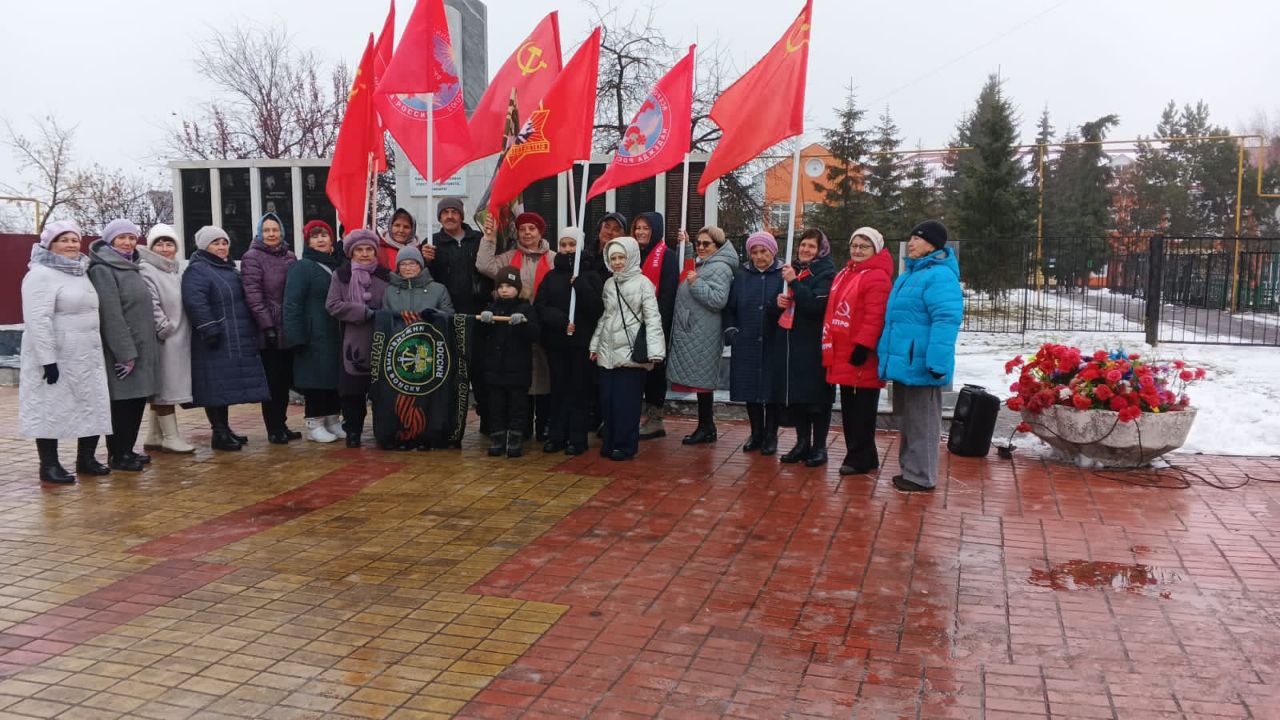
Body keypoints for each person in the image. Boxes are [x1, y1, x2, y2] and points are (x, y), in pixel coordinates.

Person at [19, 221, 112, 483]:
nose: (71, 245)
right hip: (56, 354)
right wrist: (48, 360)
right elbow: (38, 319)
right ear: (50, 245)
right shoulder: (40, 274)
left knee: (91, 404)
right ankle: (49, 465)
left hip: (87, 353)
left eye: (74, 239)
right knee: (50, 407)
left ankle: (87, 458)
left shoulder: (80, 271)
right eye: (64, 240)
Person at [877, 220, 963, 492]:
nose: (910, 243)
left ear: (933, 244)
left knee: (923, 421)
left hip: (923, 363)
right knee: (911, 420)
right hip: (907, 361)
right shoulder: (911, 274)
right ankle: (910, 471)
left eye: (917, 238)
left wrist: (937, 363)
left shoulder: (939, 275)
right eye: (911, 237)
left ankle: (922, 476)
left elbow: (946, 319)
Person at [183, 226, 271, 450]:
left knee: (225, 387)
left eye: (224, 242)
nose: (221, 247)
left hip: (234, 337)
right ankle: (218, 433)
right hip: (214, 339)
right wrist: (209, 328)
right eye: (215, 243)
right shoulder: (198, 270)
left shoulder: (229, 269)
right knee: (215, 387)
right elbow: (196, 302)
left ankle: (225, 428)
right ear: (204, 246)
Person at [87, 219, 159, 472]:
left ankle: (127, 449)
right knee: (122, 404)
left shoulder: (131, 266)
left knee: (136, 401)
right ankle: (117, 455)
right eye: (121, 238)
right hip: (122, 351)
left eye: (131, 237)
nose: (128, 242)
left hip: (141, 347)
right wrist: (125, 353)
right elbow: (111, 314)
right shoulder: (103, 269)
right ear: (110, 240)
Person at [476, 211, 553, 439]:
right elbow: (484, 264)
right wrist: (489, 238)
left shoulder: (552, 257)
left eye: (532, 228)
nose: (527, 233)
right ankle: (522, 428)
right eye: (522, 229)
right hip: (513, 329)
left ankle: (544, 426)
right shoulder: (509, 257)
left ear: (540, 232)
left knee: (545, 378)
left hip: (542, 327)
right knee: (522, 380)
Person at [822, 227, 893, 476]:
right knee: (851, 408)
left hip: (862, 355)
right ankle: (865, 454)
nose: (858, 250)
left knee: (861, 410)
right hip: (844, 351)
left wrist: (864, 346)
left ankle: (859, 456)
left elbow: (876, 316)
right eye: (855, 245)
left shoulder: (877, 277)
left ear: (876, 249)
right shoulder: (846, 273)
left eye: (864, 246)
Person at [589, 236, 666, 461]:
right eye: (613, 258)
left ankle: (625, 446)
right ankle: (610, 442)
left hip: (632, 353)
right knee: (608, 400)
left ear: (631, 256)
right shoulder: (609, 284)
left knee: (627, 403)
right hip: (608, 352)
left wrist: (655, 351)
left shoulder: (644, 283)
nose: (617, 262)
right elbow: (605, 317)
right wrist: (595, 345)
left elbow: (653, 318)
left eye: (621, 257)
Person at [769, 228, 836, 467]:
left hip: (814, 345)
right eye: (803, 245)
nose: (805, 250)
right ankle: (801, 443)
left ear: (821, 250)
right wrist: (777, 303)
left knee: (816, 399)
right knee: (797, 397)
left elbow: (814, 306)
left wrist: (794, 283)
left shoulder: (826, 273)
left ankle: (819, 447)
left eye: (811, 246)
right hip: (791, 344)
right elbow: (778, 307)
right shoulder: (792, 269)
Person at [534, 227, 602, 455]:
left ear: (580, 247)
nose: (567, 249)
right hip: (557, 344)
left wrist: (580, 285)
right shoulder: (550, 277)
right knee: (559, 390)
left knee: (579, 391)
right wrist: (561, 321)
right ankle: (557, 435)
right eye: (563, 245)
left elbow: (597, 308)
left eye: (572, 245)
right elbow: (541, 307)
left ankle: (577, 438)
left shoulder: (590, 276)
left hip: (581, 344)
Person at [427, 197, 492, 436]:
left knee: (482, 370)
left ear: (462, 215)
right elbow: (426, 279)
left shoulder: (479, 239)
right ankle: (450, 422)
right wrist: (426, 261)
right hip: (447, 318)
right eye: (445, 212)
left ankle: (488, 418)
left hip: (478, 314)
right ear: (439, 217)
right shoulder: (432, 244)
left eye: (455, 211)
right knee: (451, 372)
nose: (450, 216)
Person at [667, 225, 737, 445]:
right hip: (694, 331)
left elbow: (718, 300)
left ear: (718, 245)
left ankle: (706, 426)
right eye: (698, 243)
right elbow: (690, 268)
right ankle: (706, 426)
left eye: (706, 244)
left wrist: (696, 284)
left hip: (704, 332)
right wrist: (686, 246)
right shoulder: (707, 263)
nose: (701, 247)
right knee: (700, 382)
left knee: (703, 383)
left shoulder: (721, 268)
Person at [326, 229, 391, 447]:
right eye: (359, 250)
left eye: (369, 249)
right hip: (352, 341)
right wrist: (362, 312)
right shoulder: (341, 276)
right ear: (351, 253)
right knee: (352, 393)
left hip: (381, 340)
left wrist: (380, 312)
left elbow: (392, 304)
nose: (364, 254)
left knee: (381, 393)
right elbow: (333, 305)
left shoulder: (385, 276)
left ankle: (383, 432)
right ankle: (353, 432)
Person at [283, 220, 344, 443]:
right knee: (315, 379)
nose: (320, 239)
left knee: (333, 378)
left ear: (331, 240)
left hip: (334, 333)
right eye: (314, 236)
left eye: (324, 235)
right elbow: (292, 303)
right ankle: (314, 421)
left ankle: (332, 419)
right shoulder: (302, 267)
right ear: (308, 242)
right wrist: (296, 336)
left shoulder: (337, 266)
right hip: (312, 334)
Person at [724, 231, 784, 455]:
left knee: (771, 390)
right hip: (747, 340)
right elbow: (730, 308)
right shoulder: (741, 275)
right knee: (750, 389)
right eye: (755, 252)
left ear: (773, 251)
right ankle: (756, 432)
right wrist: (732, 331)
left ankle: (771, 435)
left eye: (763, 251)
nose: (759, 256)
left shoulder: (782, 275)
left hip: (773, 341)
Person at [241, 212, 299, 444]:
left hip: (289, 325)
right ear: (259, 233)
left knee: (285, 380)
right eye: (267, 230)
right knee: (273, 380)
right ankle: (273, 427)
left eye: (275, 230)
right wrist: (267, 326)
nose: (272, 234)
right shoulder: (252, 257)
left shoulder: (290, 256)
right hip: (269, 329)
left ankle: (282, 423)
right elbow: (254, 295)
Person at [137, 224, 195, 454]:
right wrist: (164, 327)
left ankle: (154, 435)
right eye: (159, 244)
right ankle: (171, 437)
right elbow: (150, 303)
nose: (164, 248)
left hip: (180, 336)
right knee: (166, 389)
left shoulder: (176, 269)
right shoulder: (146, 269)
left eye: (169, 243)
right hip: (165, 339)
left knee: (164, 387)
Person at [477, 267, 541, 458]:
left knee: (517, 406)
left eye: (509, 286)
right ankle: (497, 439)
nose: (504, 290)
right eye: (501, 286)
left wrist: (523, 324)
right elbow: (480, 336)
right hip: (495, 370)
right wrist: (483, 322)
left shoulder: (526, 308)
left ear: (518, 288)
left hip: (518, 370)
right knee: (496, 406)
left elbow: (534, 334)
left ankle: (515, 440)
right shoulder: (492, 308)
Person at [632, 212, 680, 440]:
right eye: (637, 228)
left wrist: (656, 324)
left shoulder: (667, 257)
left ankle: (654, 419)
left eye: (646, 228)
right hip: (632, 323)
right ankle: (630, 416)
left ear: (655, 230)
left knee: (654, 373)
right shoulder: (632, 254)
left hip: (656, 323)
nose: (641, 232)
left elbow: (669, 294)